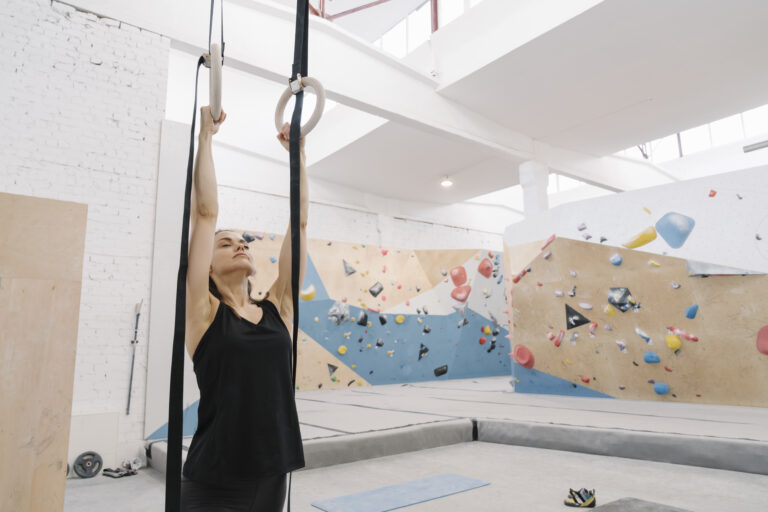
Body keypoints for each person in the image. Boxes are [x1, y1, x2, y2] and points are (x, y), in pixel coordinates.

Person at [180, 105, 308, 511]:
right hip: (215, 479)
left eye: (244, 243)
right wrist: (206, 136)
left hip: (273, 473)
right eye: (226, 244)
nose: (240, 245)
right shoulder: (203, 313)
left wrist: (298, 156)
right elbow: (205, 214)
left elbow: (299, 224)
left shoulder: (277, 309)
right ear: (208, 265)